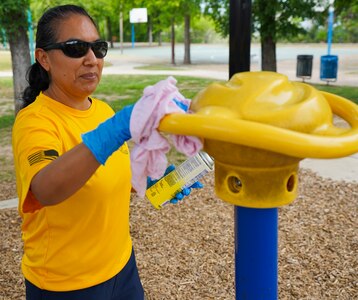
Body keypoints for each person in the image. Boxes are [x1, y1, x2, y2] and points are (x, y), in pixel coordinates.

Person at [12, 4, 200, 300]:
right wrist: (115, 130)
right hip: (66, 285)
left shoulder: (102, 110)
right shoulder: (35, 121)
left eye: (98, 48)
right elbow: (46, 188)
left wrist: (152, 179)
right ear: (44, 58)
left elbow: (107, 174)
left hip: (122, 267)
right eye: (75, 48)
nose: (91, 59)